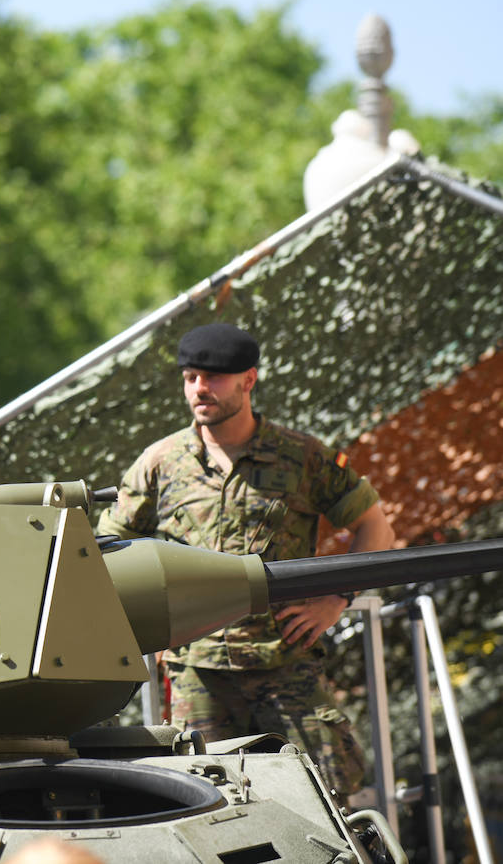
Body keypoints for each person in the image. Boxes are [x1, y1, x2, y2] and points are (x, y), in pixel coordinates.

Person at [98, 322, 394, 801]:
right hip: (197, 670)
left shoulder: (301, 457)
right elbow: (107, 547)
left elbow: (376, 526)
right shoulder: (160, 462)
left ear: (248, 381)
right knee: (203, 803)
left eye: (213, 378)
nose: (200, 389)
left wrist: (336, 598)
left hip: (285, 661)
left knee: (327, 796)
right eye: (191, 377)